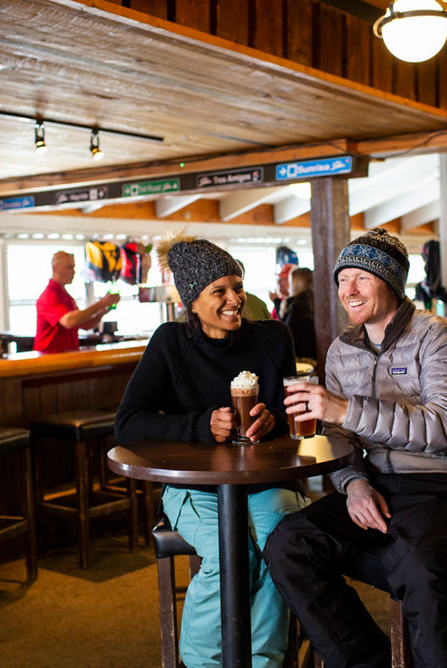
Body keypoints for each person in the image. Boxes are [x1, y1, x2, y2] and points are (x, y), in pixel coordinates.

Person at [264, 229, 447, 667]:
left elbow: (442, 427)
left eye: (361, 278)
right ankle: (368, 662)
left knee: (422, 570)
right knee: (290, 545)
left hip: (444, 483)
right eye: (342, 279)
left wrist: (343, 408)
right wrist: (352, 485)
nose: (348, 290)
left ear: (390, 282)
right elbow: (340, 438)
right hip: (377, 485)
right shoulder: (341, 350)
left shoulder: (438, 337)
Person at [114, 235, 303, 668]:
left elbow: (290, 413)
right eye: (219, 291)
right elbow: (128, 423)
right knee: (226, 555)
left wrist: (273, 417)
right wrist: (200, 425)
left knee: (282, 548)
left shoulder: (275, 338)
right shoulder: (170, 342)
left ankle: (263, 662)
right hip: (197, 489)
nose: (235, 299)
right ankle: (202, 663)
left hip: (265, 481)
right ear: (192, 302)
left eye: (237, 286)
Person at [34, 250, 119, 353]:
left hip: (68, 355)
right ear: (55, 268)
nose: (73, 272)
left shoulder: (65, 295)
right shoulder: (49, 296)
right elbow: (69, 322)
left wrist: (103, 311)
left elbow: (85, 324)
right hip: (50, 358)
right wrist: (101, 303)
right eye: (69, 267)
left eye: (73, 267)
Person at [281, 267, 316, 360]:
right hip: (319, 356)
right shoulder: (317, 302)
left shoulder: (297, 306)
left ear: (295, 284)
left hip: (303, 361)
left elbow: (287, 336)